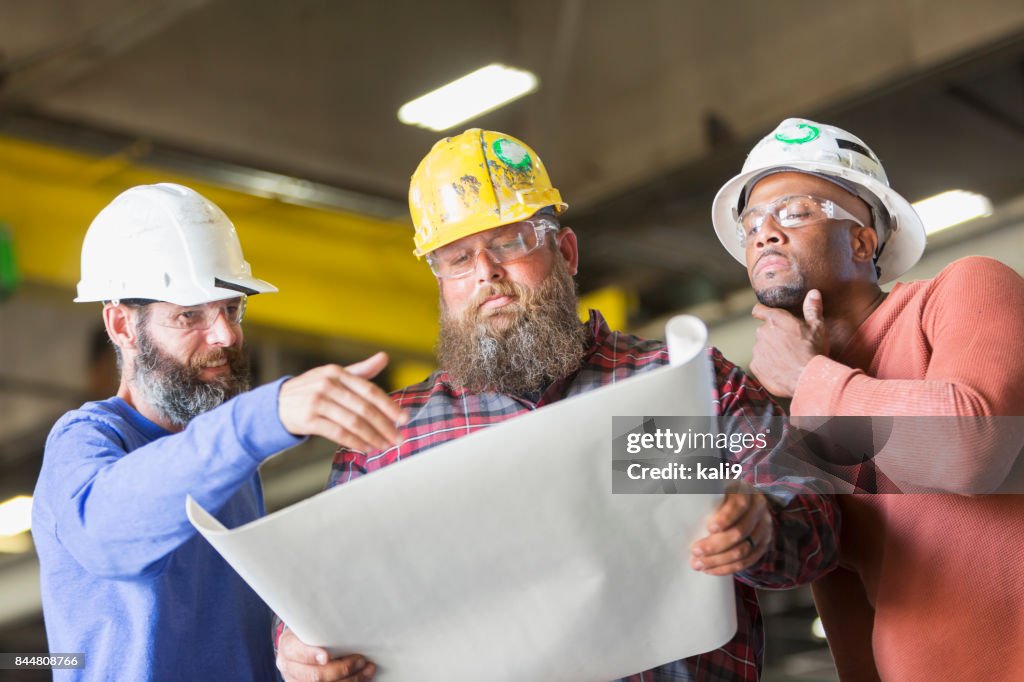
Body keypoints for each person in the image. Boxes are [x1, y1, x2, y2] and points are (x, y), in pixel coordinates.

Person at [275, 129, 840, 682]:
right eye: (456, 258)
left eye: (509, 242)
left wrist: (763, 523)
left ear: (566, 251)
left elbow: (817, 519)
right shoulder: (388, 438)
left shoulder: (687, 384)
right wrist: (299, 645)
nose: (486, 273)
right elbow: (324, 595)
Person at [33, 183, 406, 682]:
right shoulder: (87, 440)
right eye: (189, 316)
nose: (226, 335)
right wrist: (265, 417)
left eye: (232, 309)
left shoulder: (227, 459)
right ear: (122, 325)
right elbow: (107, 536)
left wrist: (292, 659)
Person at [711, 118, 1024, 679]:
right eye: (752, 223)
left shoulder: (963, 290)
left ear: (863, 239)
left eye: (796, 211)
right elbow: (845, 600)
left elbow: (973, 448)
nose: (765, 232)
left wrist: (810, 378)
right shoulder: (789, 414)